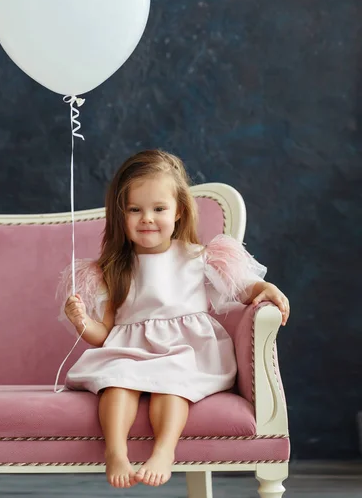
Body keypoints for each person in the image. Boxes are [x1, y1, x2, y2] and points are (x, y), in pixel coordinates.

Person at [56, 149, 290, 489]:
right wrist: (81, 322)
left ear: (179, 211)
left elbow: (240, 288)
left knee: (173, 388)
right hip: (130, 351)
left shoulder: (197, 256)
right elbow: (103, 334)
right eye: (134, 209)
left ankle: (164, 451)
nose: (147, 218)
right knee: (116, 383)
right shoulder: (114, 269)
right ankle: (116, 452)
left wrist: (264, 287)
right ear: (120, 216)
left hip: (186, 350)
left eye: (158, 209)